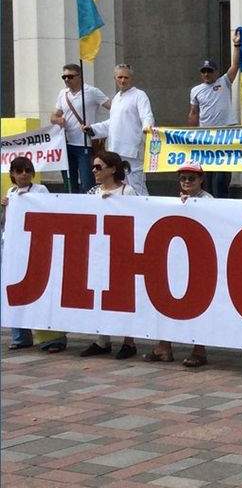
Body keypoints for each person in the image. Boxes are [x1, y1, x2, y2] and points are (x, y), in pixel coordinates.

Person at [143, 163, 213, 366]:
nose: (187, 182)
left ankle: (199, 350)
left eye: (191, 178)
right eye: (183, 178)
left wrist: (189, 205)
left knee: (198, 308)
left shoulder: (209, 201)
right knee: (166, 304)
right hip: (176, 260)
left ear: (201, 179)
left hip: (199, 263)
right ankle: (163, 346)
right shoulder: (175, 200)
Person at [79, 150, 143, 359]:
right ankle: (102, 339)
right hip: (99, 251)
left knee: (124, 296)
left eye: (99, 167)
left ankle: (129, 341)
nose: (94, 171)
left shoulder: (127, 191)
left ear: (113, 169)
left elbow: (139, 216)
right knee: (100, 293)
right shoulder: (92, 192)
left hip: (123, 251)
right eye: (93, 167)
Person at [83, 64, 154, 196]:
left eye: (126, 77)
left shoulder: (139, 95)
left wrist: (147, 126)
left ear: (131, 78)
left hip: (132, 151)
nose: (123, 80)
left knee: (137, 188)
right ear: (115, 78)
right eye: (120, 77)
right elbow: (112, 123)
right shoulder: (116, 98)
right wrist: (93, 129)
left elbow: (146, 115)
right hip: (115, 152)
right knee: (119, 187)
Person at [3, 157, 50, 350]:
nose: (24, 174)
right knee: (13, 289)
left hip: (36, 244)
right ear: (12, 174)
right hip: (14, 246)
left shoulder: (40, 190)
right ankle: (20, 336)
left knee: (40, 289)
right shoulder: (10, 192)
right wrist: (5, 206)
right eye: (19, 171)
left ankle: (50, 338)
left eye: (27, 170)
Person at [187, 31, 241, 198]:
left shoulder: (224, 82)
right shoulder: (195, 90)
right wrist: (190, 135)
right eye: (203, 71)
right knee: (207, 174)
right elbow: (193, 113)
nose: (206, 74)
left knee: (221, 175)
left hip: (225, 133)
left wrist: (236, 45)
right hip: (205, 136)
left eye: (209, 71)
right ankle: (208, 202)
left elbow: (235, 66)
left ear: (216, 72)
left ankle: (222, 202)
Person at [50, 63, 108, 193]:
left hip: (85, 145)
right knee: (70, 184)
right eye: (64, 77)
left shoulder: (92, 91)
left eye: (70, 77)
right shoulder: (63, 93)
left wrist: (102, 128)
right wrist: (58, 120)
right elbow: (53, 116)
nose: (67, 80)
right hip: (67, 144)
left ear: (79, 76)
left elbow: (114, 108)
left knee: (87, 183)